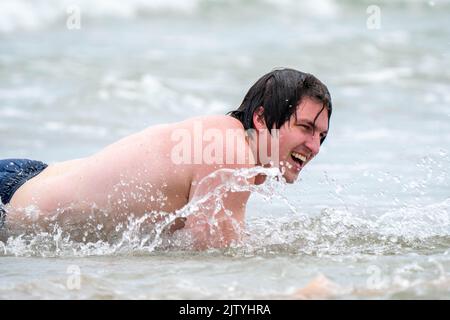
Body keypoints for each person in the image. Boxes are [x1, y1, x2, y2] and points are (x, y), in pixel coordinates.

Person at [0, 68, 332, 249]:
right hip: (10, 204)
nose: (314, 146)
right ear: (260, 119)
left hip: (29, 179)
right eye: (305, 127)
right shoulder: (231, 151)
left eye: (321, 136)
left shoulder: (229, 144)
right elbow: (218, 269)